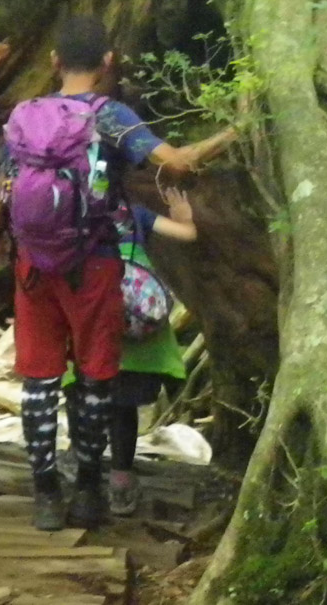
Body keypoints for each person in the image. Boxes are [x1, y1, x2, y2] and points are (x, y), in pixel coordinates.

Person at [0, 15, 231, 530]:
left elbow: (5, 180)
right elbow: (176, 164)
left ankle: (46, 496)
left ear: (54, 62)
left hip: (32, 265)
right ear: (109, 62)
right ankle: (90, 492)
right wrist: (234, 127)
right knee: (96, 380)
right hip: (94, 262)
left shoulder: (26, 114)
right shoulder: (111, 116)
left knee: (39, 382)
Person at [99, 186, 197, 517]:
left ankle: (82, 475)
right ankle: (121, 484)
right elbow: (186, 234)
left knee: (89, 397)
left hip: (92, 313)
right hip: (138, 316)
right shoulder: (135, 213)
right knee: (123, 406)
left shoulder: (73, 210)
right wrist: (183, 216)